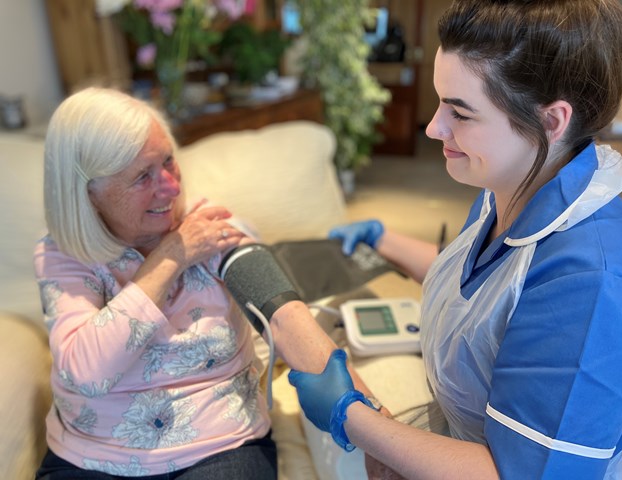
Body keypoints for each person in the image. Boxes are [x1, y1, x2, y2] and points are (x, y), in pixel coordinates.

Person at [285, 0, 622, 478]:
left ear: (551, 122)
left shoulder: (589, 283)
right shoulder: (510, 184)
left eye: (461, 113)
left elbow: (519, 473)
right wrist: (384, 238)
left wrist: (352, 416)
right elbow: (486, 289)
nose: (434, 128)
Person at [33, 87, 375, 479]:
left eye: (168, 162)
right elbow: (88, 373)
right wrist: (171, 257)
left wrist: (375, 428)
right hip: (89, 456)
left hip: (218, 449)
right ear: (89, 194)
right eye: (143, 177)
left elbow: (287, 320)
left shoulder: (212, 230)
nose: (172, 187)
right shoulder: (62, 254)